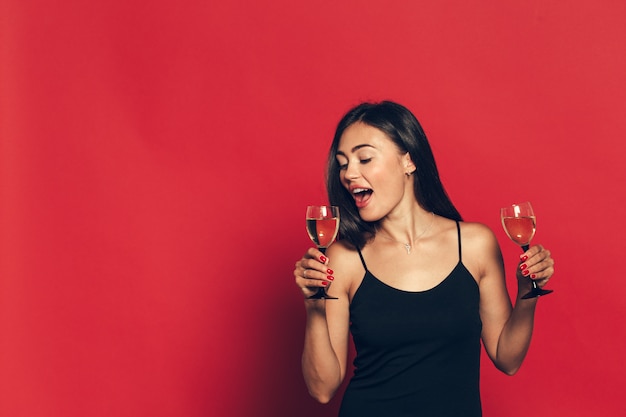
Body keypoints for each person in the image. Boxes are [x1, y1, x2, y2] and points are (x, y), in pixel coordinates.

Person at [293, 101, 555, 417]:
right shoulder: (344, 258)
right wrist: (314, 307)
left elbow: (507, 358)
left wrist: (528, 292)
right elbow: (322, 389)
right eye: (343, 163)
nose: (349, 173)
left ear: (409, 161)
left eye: (364, 158)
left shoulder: (474, 244)